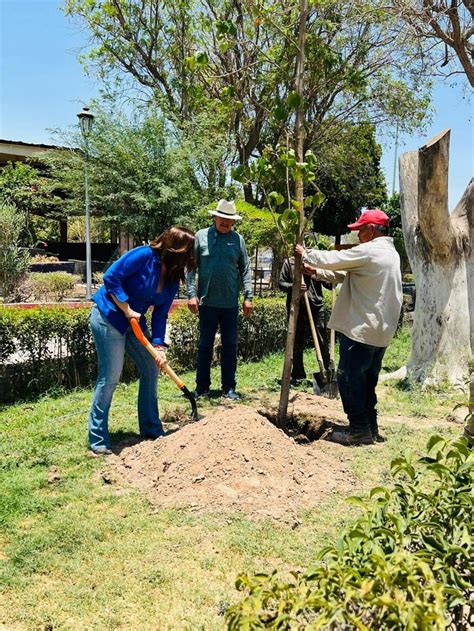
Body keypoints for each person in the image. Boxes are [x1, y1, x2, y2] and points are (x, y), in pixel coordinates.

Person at [295, 209, 402, 446]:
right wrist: (317, 273)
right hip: (380, 331)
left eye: (360, 231)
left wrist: (307, 254)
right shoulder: (389, 253)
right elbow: (349, 275)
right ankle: (370, 427)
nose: (357, 236)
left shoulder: (370, 250)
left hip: (362, 329)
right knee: (367, 381)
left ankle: (358, 430)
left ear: (371, 230)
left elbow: (336, 260)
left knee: (349, 380)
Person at [88, 226, 195, 455]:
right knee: (111, 376)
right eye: (187, 253)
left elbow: (160, 313)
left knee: (151, 368)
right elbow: (111, 277)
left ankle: (151, 428)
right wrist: (127, 308)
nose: (189, 259)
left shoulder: (173, 278)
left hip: (134, 326)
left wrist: (158, 345)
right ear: (174, 248)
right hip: (109, 317)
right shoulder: (144, 255)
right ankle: (97, 438)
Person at [186, 200, 253, 400]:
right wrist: (191, 294)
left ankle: (229, 388)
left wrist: (248, 296)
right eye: (223, 218)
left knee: (230, 346)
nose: (226, 222)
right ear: (215, 217)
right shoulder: (200, 236)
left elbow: (246, 269)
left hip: (230, 304)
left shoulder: (238, 239)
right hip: (207, 303)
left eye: (230, 220)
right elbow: (190, 267)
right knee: (205, 346)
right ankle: (202, 387)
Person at [279, 257, 330, 383]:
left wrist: (328, 278)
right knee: (297, 342)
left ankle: (327, 372)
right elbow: (281, 284)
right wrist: (294, 286)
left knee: (322, 341)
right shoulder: (290, 262)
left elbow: (328, 284)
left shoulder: (316, 262)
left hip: (316, 307)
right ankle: (298, 374)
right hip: (296, 306)